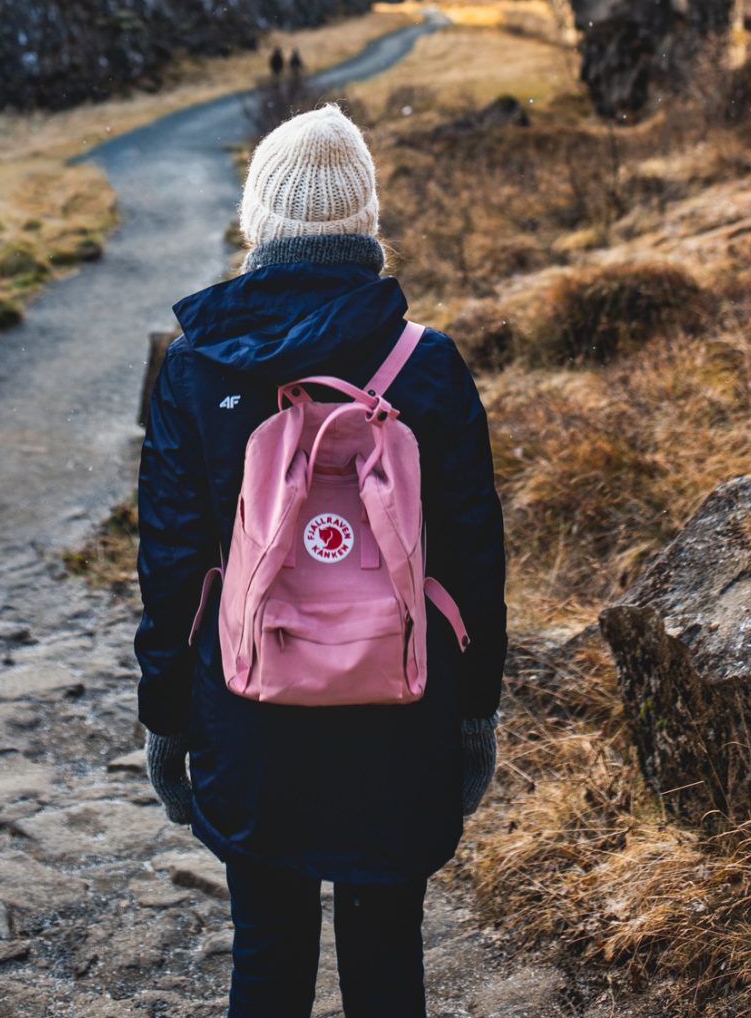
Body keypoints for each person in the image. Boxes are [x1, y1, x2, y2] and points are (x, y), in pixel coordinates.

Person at [135, 103, 507, 1018]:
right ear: (365, 226)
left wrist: (167, 719)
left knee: (266, 958)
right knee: (387, 964)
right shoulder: (430, 366)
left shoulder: (195, 369)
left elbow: (174, 566)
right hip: (403, 711)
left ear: (258, 222)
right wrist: (473, 716)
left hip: (249, 713)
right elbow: (472, 559)